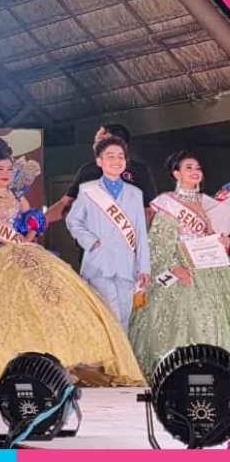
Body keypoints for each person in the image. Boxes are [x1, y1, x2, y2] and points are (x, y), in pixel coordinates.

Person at [0, 137, 145, 389]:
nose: (5, 174)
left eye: (9, 168)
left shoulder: (17, 196)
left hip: (21, 250)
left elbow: (33, 220)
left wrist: (26, 239)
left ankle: (58, 357)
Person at [129, 151, 230, 379]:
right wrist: (174, 266)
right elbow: (158, 243)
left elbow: (209, 236)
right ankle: (177, 373)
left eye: (198, 168)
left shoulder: (204, 202)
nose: (195, 172)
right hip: (180, 269)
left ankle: (216, 371)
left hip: (208, 269)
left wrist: (222, 241)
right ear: (176, 174)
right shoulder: (168, 203)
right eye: (188, 168)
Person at [66, 136, 150, 331]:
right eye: (110, 156)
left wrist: (144, 267)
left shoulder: (135, 193)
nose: (116, 160)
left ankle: (119, 352)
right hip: (99, 264)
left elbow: (140, 232)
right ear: (99, 161)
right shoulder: (88, 191)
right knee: (112, 319)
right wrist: (91, 241)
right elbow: (72, 221)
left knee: (124, 320)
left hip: (127, 266)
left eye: (120, 156)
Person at [46, 124, 157, 224]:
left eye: (101, 141)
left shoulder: (139, 171)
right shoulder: (87, 171)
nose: (96, 145)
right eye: (96, 141)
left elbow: (151, 210)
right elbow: (65, 204)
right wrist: (40, 221)